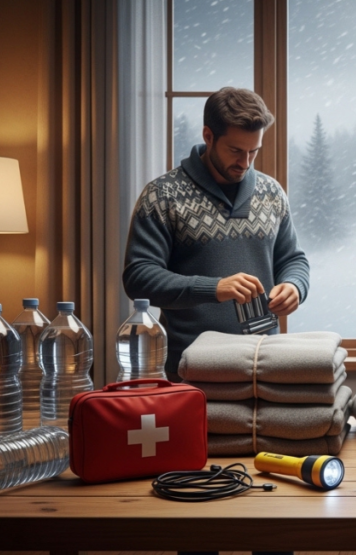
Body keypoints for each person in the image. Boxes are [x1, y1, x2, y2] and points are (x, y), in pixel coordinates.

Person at [123, 87, 310, 381]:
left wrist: (295, 286)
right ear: (208, 136)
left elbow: (293, 259)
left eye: (254, 151)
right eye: (236, 150)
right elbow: (138, 278)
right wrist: (214, 288)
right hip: (191, 368)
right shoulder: (162, 195)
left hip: (264, 365)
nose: (245, 162)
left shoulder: (271, 192)